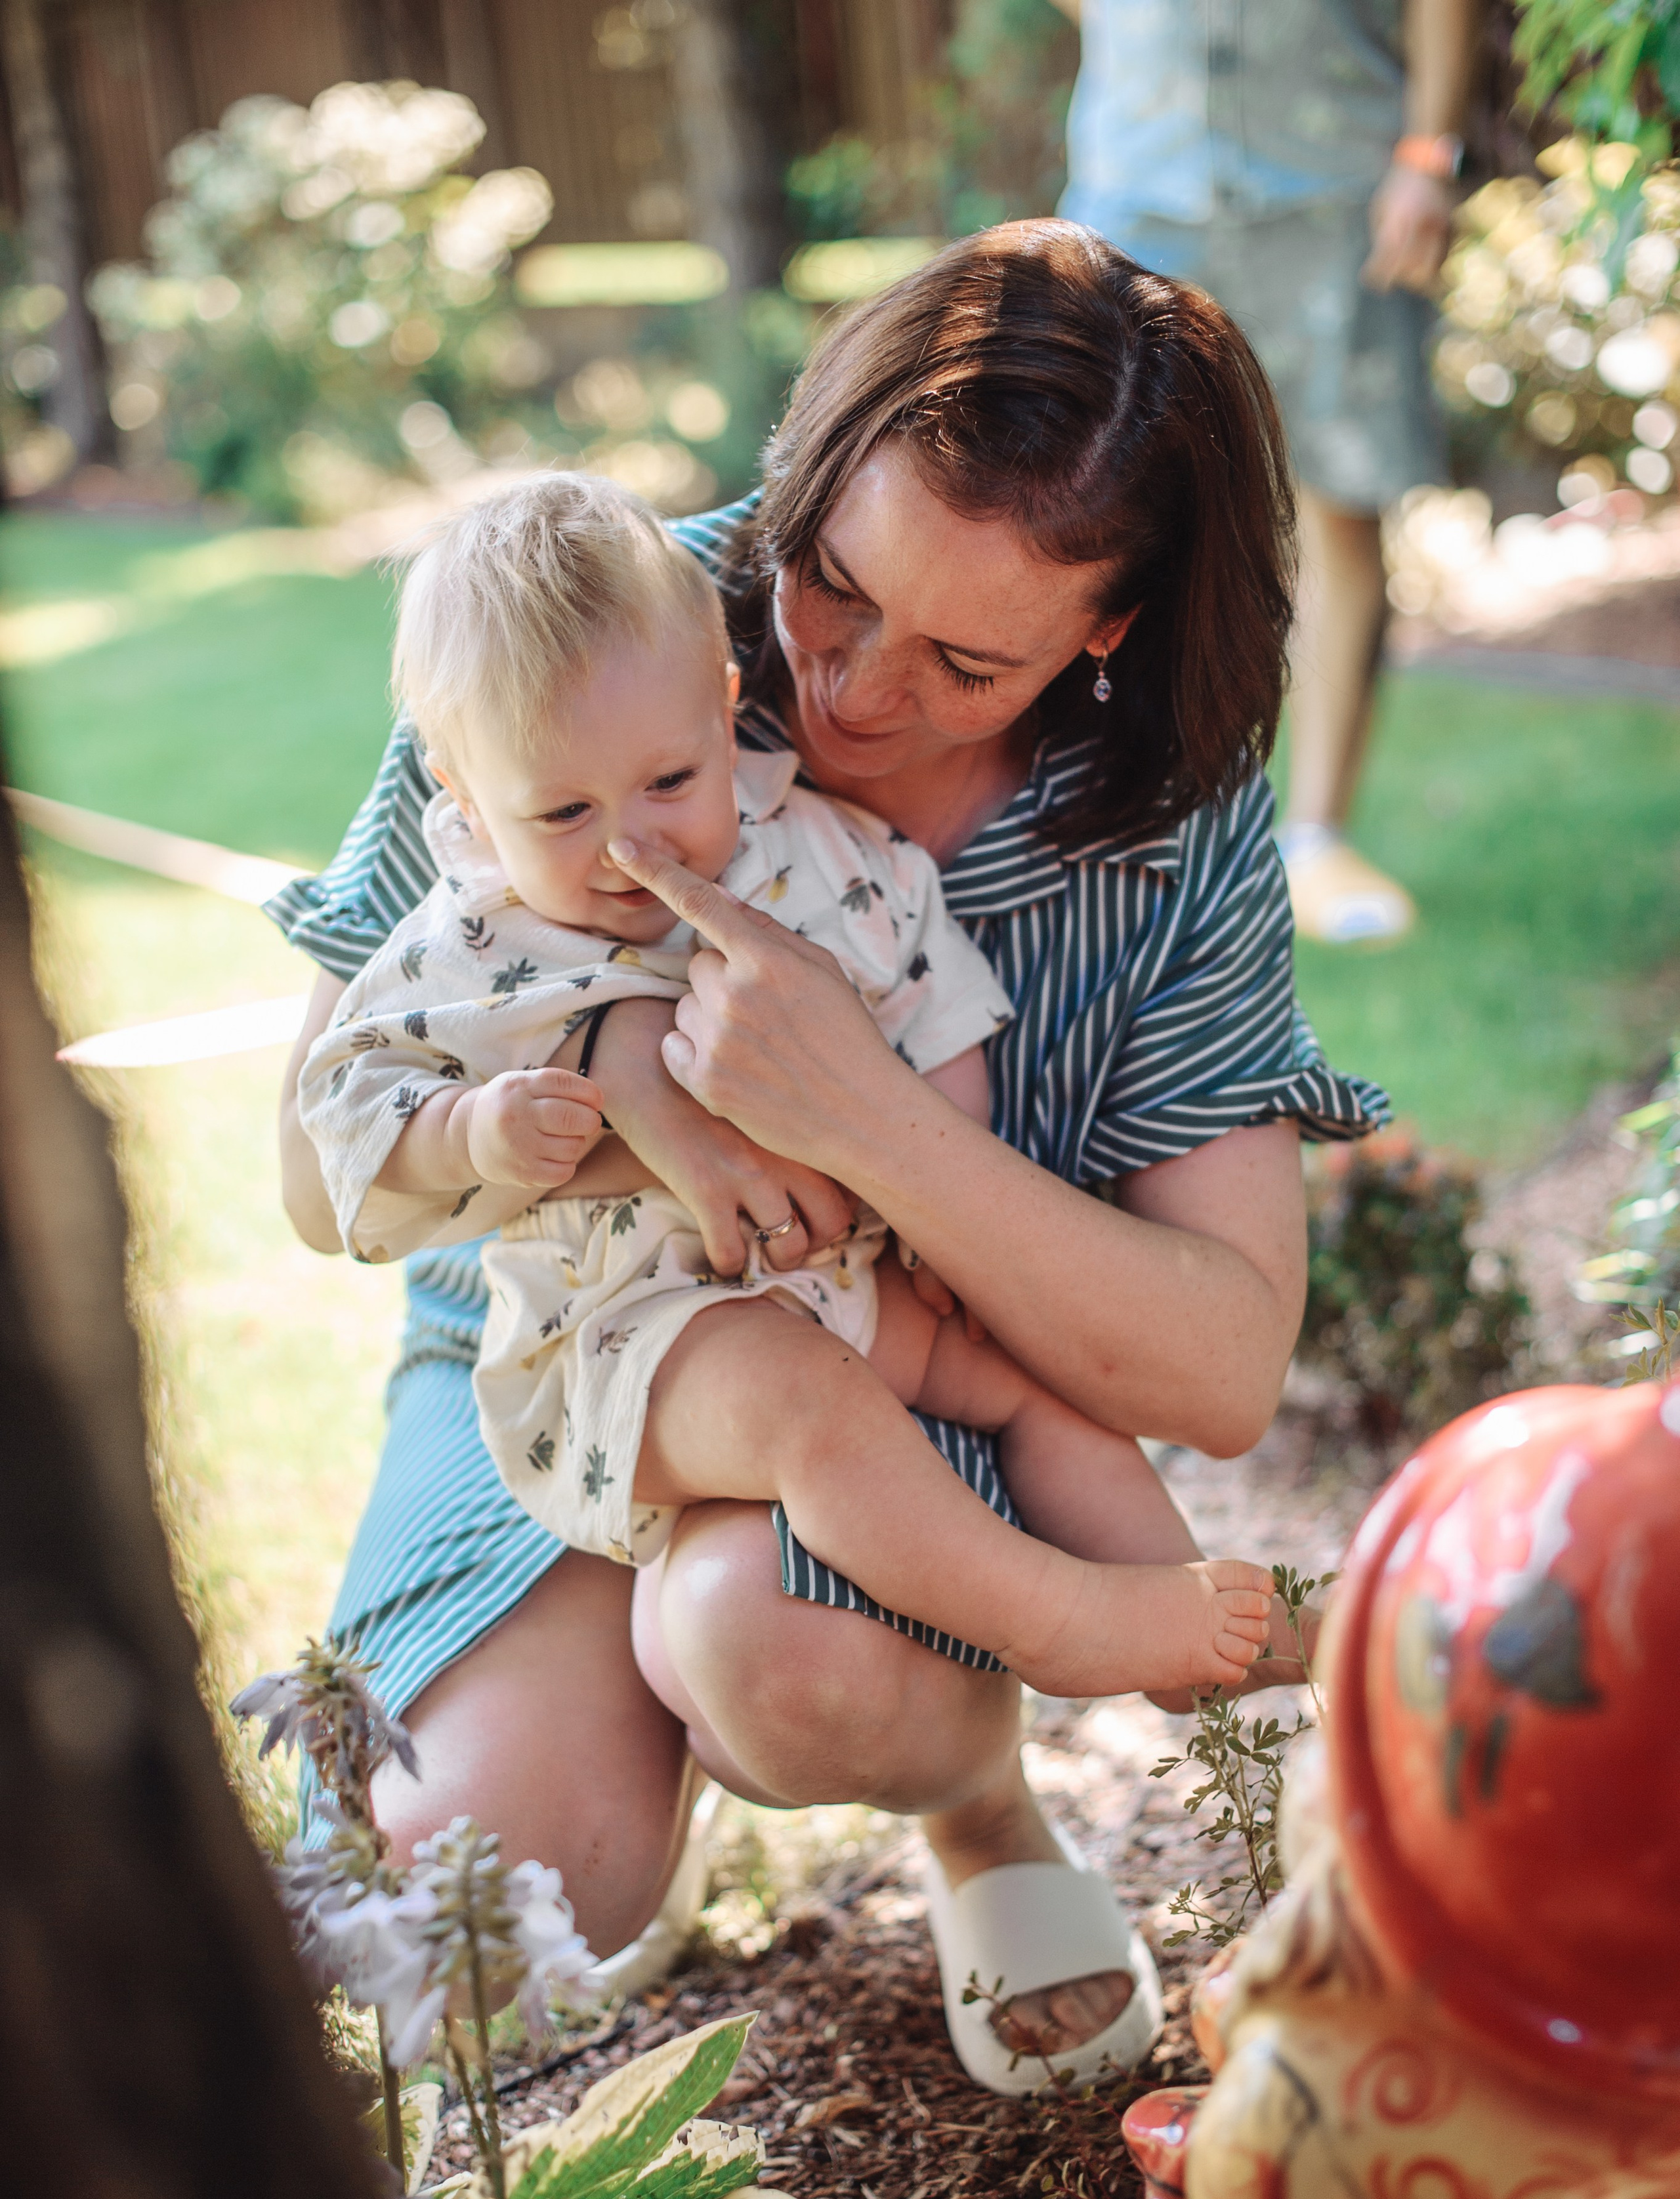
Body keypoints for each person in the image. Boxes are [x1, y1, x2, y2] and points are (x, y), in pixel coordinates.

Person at [272, 221, 1387, 2097]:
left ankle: (973, 1799)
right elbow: (319, 1180)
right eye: (833, 588)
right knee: (484, 1898)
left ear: (1105, 632)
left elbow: (1213, 1368)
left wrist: (861, 1116)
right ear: (801, 478)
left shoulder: (1172, 815)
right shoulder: (589, 636)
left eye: (965, 657)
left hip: (916, 1327)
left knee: (779, 1654)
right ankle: (627, 1688)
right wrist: (629, 1069)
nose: (854, 688)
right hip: (564, 1345)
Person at [301, 472, 1278, 1700]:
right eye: (562, 811)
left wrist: (938, 1203)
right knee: (809, 1406)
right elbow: (341, 1118)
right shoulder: (471, 939)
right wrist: (473, 1131)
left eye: (668, 784)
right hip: (621, 1346)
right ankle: (1061, 1623)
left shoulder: (824, 857)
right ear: (463, 795)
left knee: (1038, 1393)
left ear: (723, 711)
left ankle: (1219, 1639)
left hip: (848, 1285)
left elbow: (938, 1013)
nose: (628, 849)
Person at [1059, 0, 1482, 944]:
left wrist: (1427, 154)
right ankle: (1118, 827)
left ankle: (1314, 842)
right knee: (1093, 505)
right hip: (1141, 177)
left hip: (1334, 178)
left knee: (1342, 506)